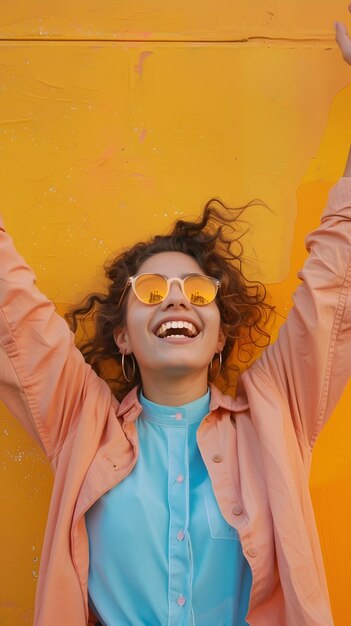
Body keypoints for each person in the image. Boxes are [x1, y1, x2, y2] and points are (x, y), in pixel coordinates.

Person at [1, 13, 351, 626]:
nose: (177, 300)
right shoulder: (79, 423)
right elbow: (11, 307)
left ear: (220, 332)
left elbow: (335, 283)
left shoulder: (277, 412)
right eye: (154, 289)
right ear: (122, 335)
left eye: (196, 289)